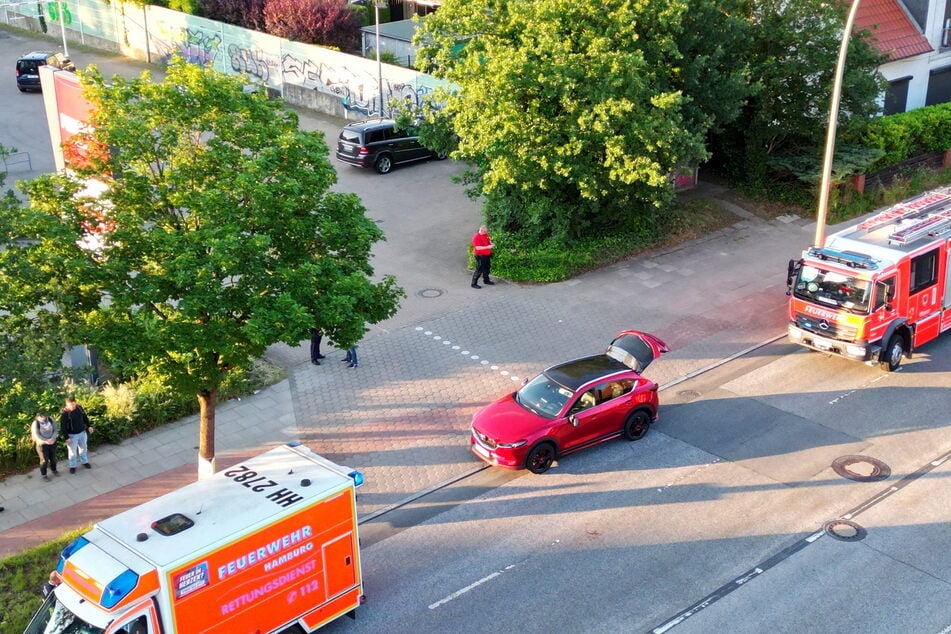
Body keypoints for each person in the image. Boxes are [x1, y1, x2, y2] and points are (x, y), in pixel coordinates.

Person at [60, 397, 93, 474]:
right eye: (70, 405)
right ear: (67, 405)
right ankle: (72, 466)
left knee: (83, 448)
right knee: (72, 452)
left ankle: (84, 462)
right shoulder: (65, 414)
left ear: (75, 403)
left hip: (82, 433)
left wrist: (89, 426)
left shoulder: (79, 408)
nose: (72, 407)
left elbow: (85, 417)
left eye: (73, 404)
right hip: (72, 435)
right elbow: (63, 427)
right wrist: (66, 437)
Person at [31, 412, 59, 481]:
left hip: (52, 442)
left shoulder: (51, 419)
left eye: (45, 416)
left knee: (53, 458)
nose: (43, 418)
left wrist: (52, 439)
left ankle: (54, 470)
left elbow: (55, 430)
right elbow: (36, 434)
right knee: (44, 461)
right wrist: (46, 440)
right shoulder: (35, 423)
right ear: (38, 416)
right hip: (42, 445)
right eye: (42, 417)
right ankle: (44, 475)